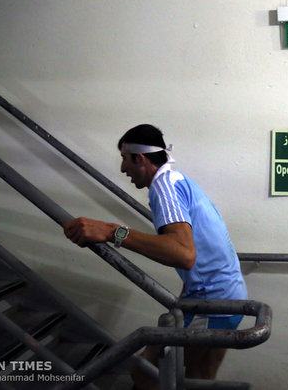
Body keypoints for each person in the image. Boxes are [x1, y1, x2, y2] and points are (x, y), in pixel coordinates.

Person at [63, 124, 248, 389]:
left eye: (124, 160)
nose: (122, 169)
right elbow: (201, 245)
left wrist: (112, 231)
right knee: (197, 378)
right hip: (221, 295)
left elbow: (183, 253)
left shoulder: (163, 187)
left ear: (141, 158)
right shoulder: (178, 180)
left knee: (148, 373)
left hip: (214, 301)